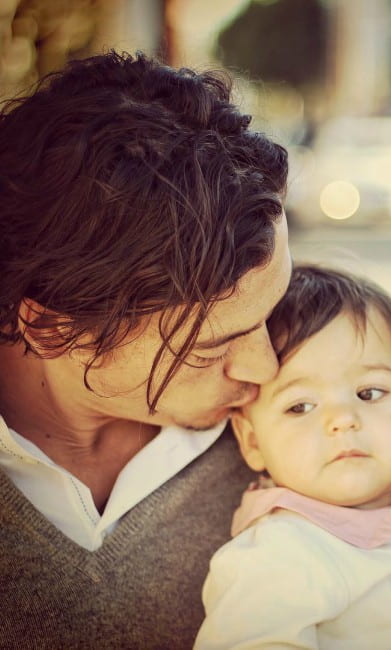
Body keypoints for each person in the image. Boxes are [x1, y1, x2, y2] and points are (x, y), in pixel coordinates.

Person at [0, 51, 292, 648]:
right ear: (53, 327)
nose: (268, 369)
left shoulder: (299, 435)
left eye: (272, 313)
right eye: (211, 349)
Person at [194, 265, 391, 650]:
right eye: (300, 406)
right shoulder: (279, 556)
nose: (342, 420)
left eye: (369, 393)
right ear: (252, 441)